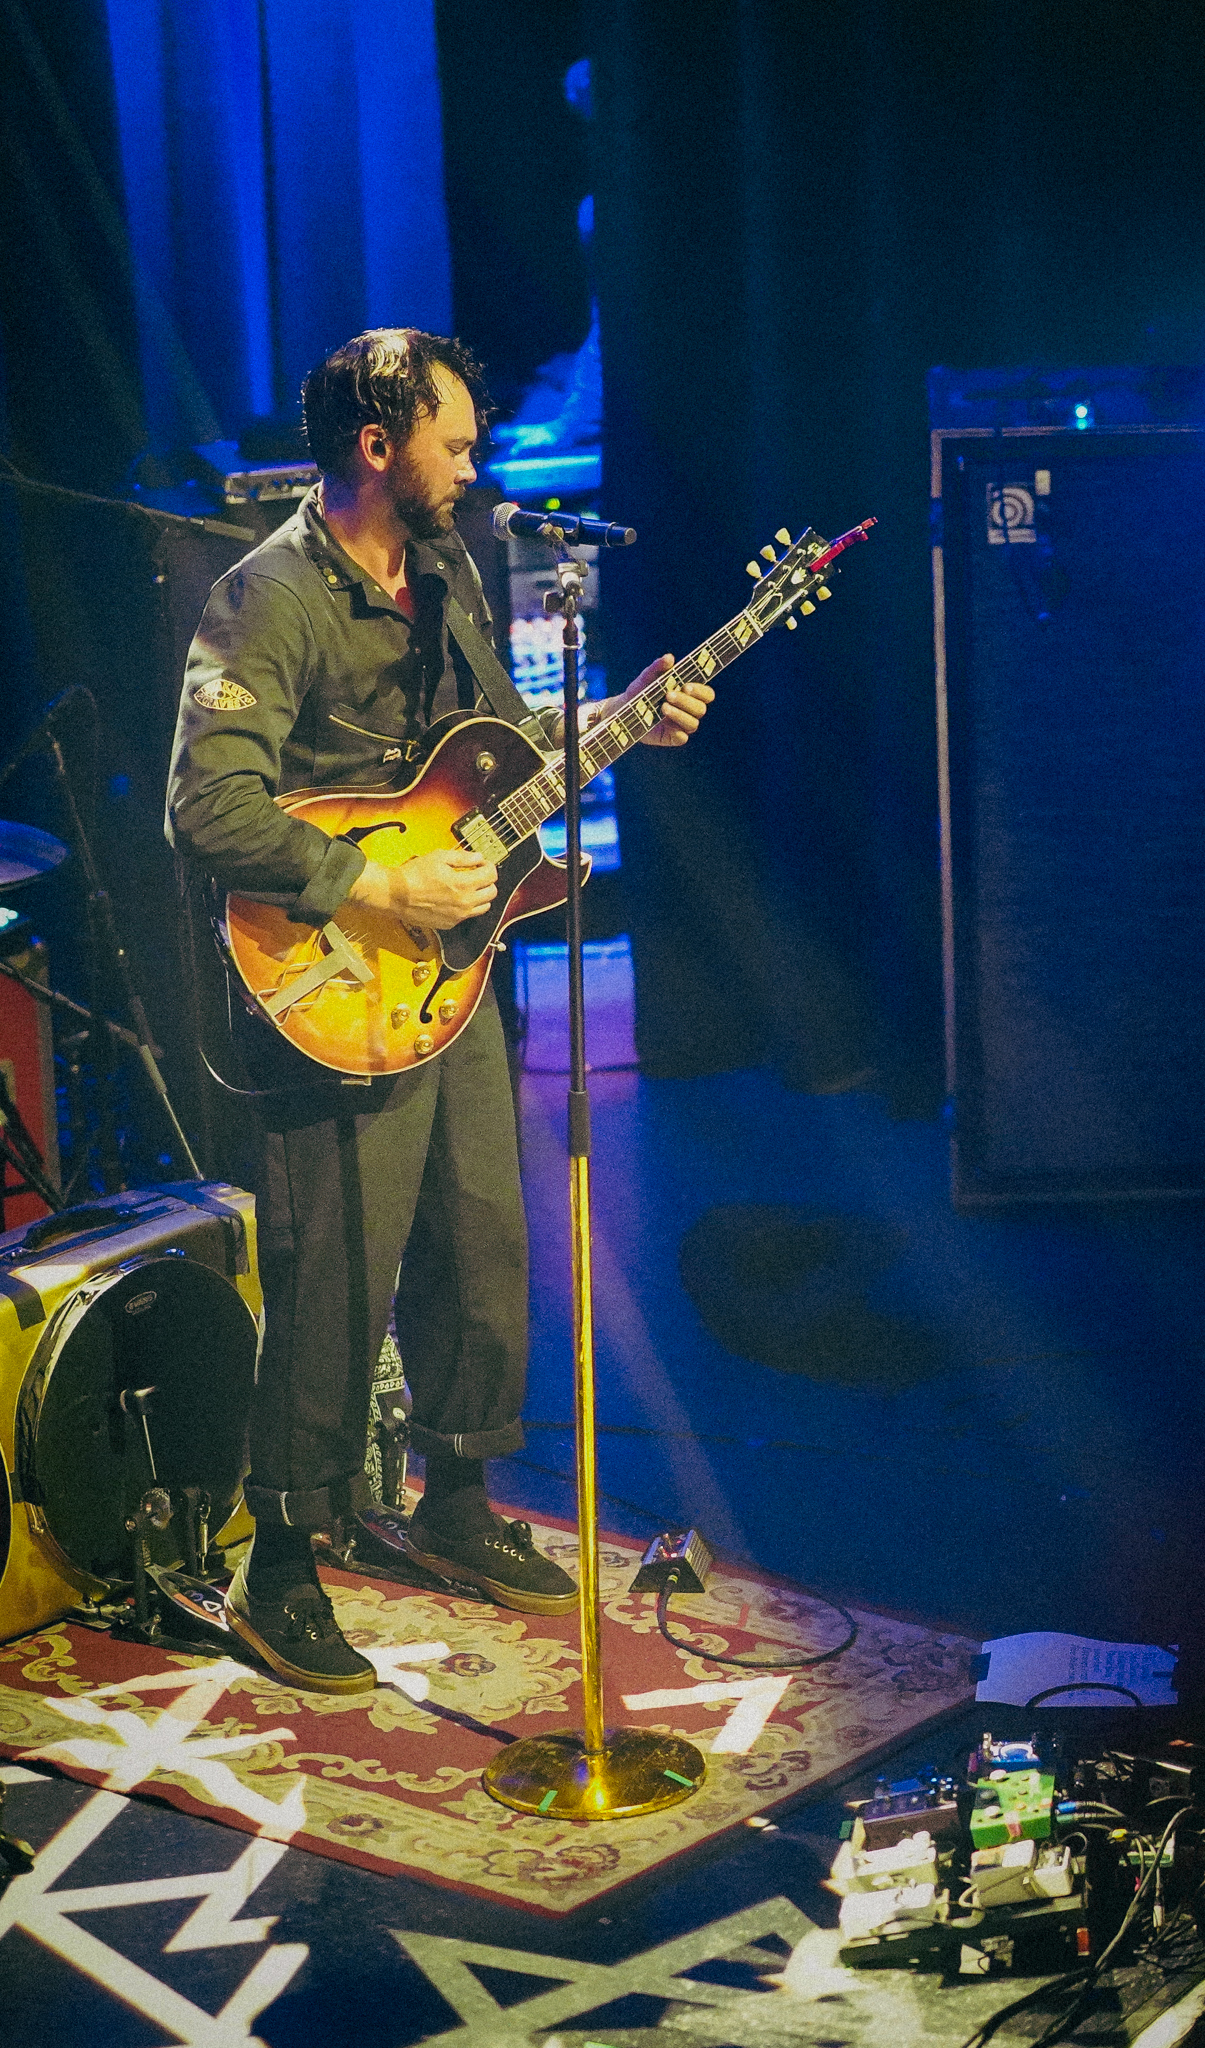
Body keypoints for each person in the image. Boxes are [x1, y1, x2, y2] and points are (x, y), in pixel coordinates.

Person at [166, 327, 713, 1693]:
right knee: (334, 1271)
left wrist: (618, 721)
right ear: (375, 443)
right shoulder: (268, 595)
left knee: (479, 1242)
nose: (475, 467)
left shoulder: (452, 573)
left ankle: (455, 1501)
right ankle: (278, 1566)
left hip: (453, 971)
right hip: (335, 979)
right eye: (455, 443)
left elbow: (491, 758)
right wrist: (371, 880)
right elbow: (206, 804)